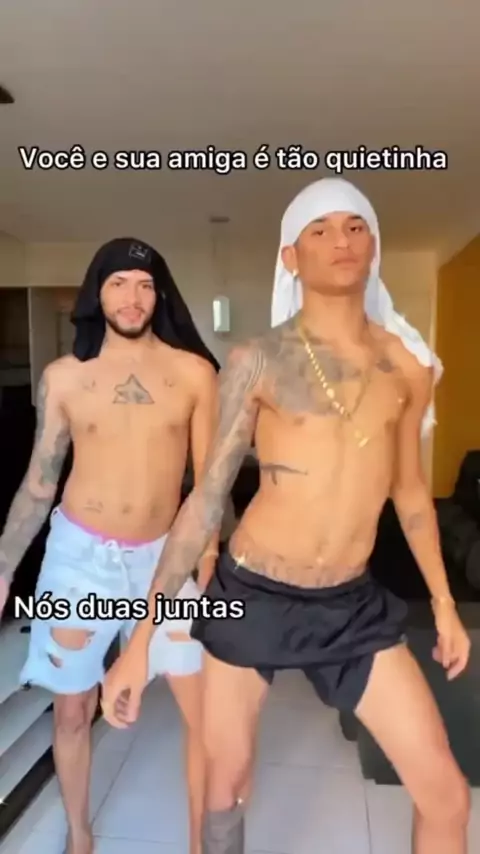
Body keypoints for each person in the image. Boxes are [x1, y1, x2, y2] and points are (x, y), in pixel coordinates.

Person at [101, 181, 472, 854]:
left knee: (446, 793)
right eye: (319, 230)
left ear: (374, 245)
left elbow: (411, 493)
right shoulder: (257, 360)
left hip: (351, 604)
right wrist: (140, 643)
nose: (341, 240)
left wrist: (444, 605)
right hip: (254, 594)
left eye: (355, 226)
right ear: (291, 257)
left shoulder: (407, 369)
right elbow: (206, 499)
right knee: (225, 789)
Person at [0, 237, 222, 854]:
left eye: (145, 285)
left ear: (160, 296)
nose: (133, 297)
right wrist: (4, 564)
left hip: (167, 556)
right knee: (73, 710)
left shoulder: (194, 374)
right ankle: (79, 834)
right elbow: (40, 480)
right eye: (119, 283)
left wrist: (208, 556)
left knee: (202, 710)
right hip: (80, 558)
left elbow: (209, 484)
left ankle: (201, 843)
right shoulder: (64, 377)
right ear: (97, 294)